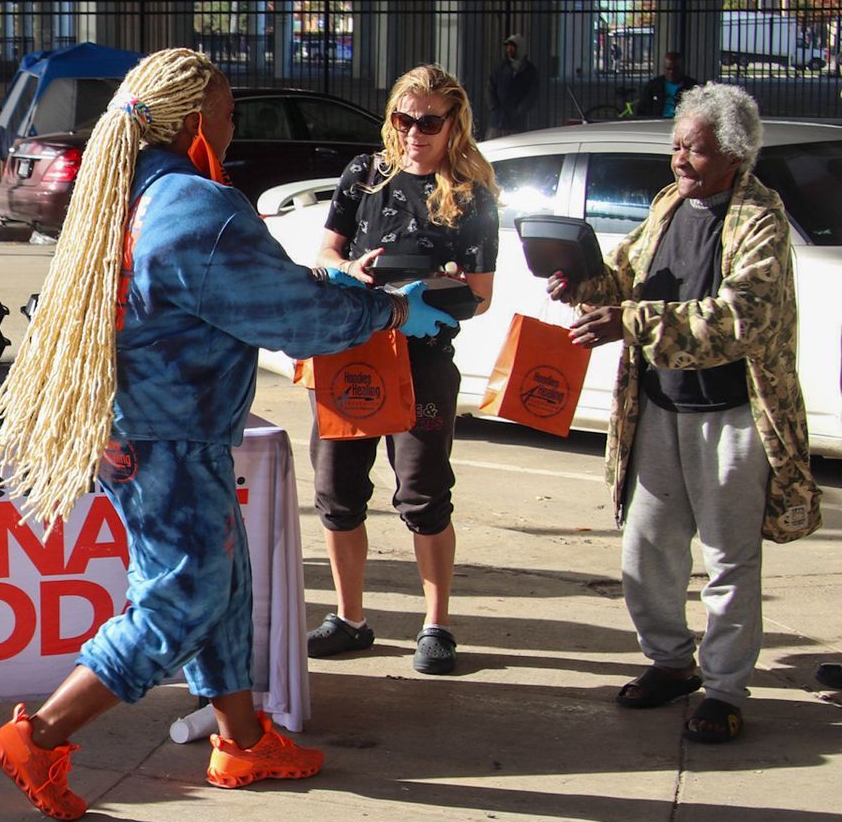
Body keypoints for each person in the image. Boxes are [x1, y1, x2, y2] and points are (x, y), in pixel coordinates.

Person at [0, 49, 457, 821]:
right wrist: (390, 309)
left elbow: (244, 290)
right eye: (230, 115)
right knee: (184, 597)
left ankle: (242, 740)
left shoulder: (131, 191)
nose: (233, 130)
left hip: (143, 427)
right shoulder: (197, 207)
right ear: (198, 121)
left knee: (221, 585)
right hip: (168, 435)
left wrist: (329, 284)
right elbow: (293, 318)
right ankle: (40, 734)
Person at [549, 83, 820, 745]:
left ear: (734, 154)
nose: (679, 160)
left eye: (694, 150)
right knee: (648, 547)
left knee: (729, 559)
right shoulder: (669, 203)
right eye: (676, 146)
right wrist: (581, 282)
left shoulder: (759, 219)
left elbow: (743, 317)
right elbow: (627, 275)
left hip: (732, 415)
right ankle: (672, 663)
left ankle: (724, 690)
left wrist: (631, 321)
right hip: (659, 406)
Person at [305, 65, 499, 676]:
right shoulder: (365, 174)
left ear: (453, 124)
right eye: (404, 119)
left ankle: (436, 625)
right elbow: (326, 250)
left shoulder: (470, 195)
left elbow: (482, 295)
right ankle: (350, 619)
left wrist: (433, 290)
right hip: (351, 351)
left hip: (422, 357)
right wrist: (349, 270)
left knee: (424, 494)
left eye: (430, 122)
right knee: (337, 492)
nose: (415, 132)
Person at [486, 33, 538, 136]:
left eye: (512, 47)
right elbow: (490, 88)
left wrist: (520, 111)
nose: (509, 50)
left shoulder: (529, 70)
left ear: (520, 48)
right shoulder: (500, 67)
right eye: (508, 47)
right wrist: (493, 107)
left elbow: (532, 94)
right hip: (497, 122)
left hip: (515, 124)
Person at [634, 51, 699, 118]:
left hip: (682, 122)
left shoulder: (691, 86)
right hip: (657, 122)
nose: (671, 72)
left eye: (675, 69)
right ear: (664, 68)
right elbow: (641, 109)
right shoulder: (653, 86)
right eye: (668, 69)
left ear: (682, 68)